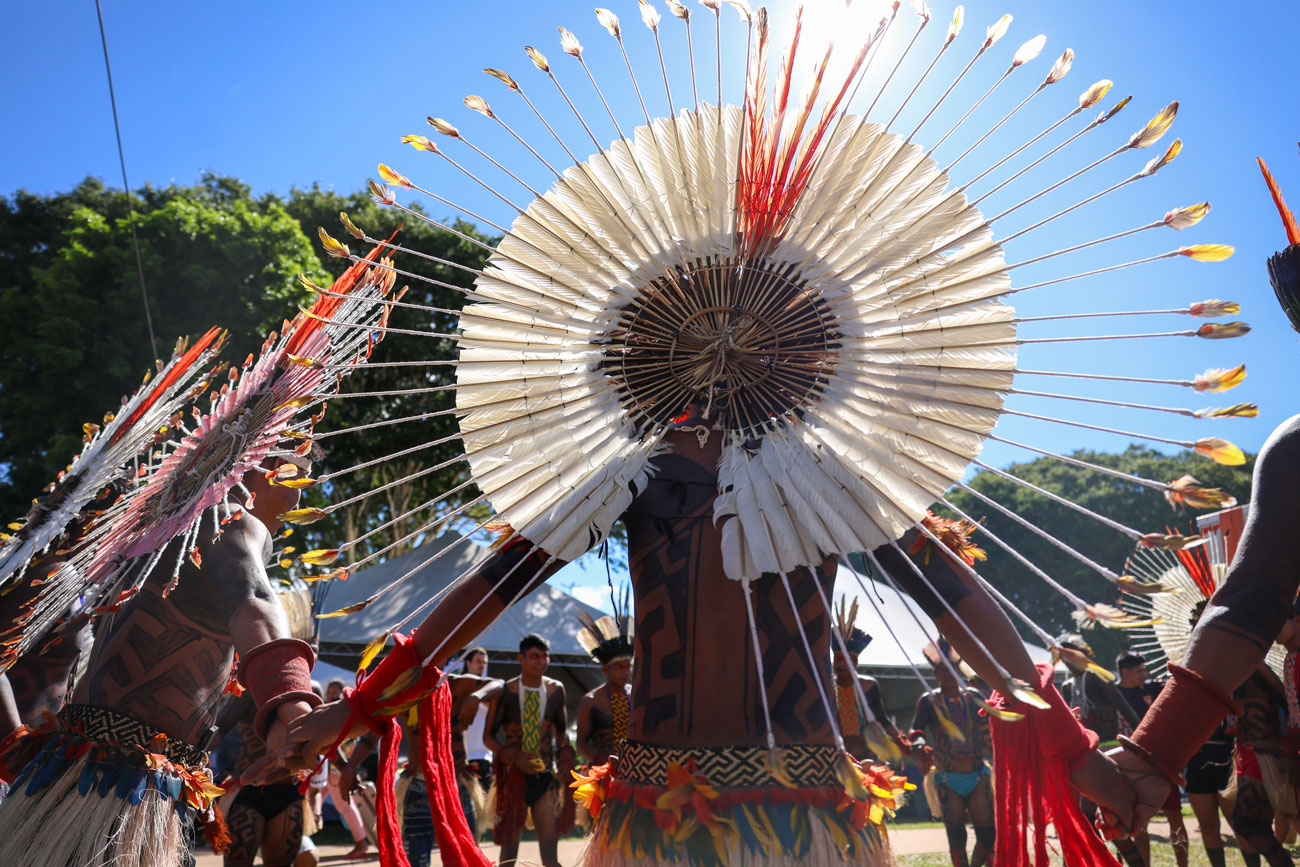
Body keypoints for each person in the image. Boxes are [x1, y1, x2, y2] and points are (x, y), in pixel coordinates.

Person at [274, 408, 1136, 866]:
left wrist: (1065, 740)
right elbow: (493, 584)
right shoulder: (632, 473)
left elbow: (955, 595)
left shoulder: (829, 472)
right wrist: (360, 704)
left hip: (807, 816)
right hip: (659, 814)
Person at [0, 456, 321, 867]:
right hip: (121, 792)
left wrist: (20, 750)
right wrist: (291, 704)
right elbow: (254, 602)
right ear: (268, 463)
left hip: (79, 781)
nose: (301, 494)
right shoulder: (228, 518)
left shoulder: (154, 539)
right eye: (301, 473)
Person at [472, 633, 572, 867]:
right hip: (513, 779)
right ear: (521, 658)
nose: (540, 661)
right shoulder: (507, 691)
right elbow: (488, 737)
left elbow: (562, 734)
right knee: (509, 855)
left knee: (550, 854)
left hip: (545, 778)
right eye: (534, 656)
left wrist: (565, 765)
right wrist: (513, 758)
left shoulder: (556, 690)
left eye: (544, 656)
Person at [911, 643, 994, 867]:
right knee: (956, 836)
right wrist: (918, 743)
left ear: (958, 671)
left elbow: (990, 730)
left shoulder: (974, 696)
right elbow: (916, 729)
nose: (946, 674)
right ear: (936, 674)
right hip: (948, 778)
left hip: (977, 775)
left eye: (950, 669)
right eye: (941, 670)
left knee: (988, 835)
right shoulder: (928, 701)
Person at [1114, 651, 1189, 867]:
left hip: (1160, 763)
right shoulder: (1112, 694)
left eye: (1145, 669)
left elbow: (1176, 686)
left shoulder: (1153, 688)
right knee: (1139, 824)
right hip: (1128, 766)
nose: (1144, 674)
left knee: (1175, 817)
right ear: (1124, 672)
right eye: (1139, 671)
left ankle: (1183, 864)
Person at [1232, 659, 1296, 866]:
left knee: (1246, 822)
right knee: (1254, 823)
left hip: (1264, 753)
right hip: (1247, 751)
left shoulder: (1255, 662)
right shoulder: (1228, 667)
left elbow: (1286, 697)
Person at [832, 596, 905, 763]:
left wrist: (901, 742)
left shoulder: (868, 685)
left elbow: (881, 717)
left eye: (846, 660)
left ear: (855, 663)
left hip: (867, 751)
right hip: (839, 753)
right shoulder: (827, 687)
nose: (840, 665)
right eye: (837, 660)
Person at [573, 613, 634, 768]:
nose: (625, 672)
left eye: (628, 666)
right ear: (606, 669)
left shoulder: (636, 695)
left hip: (634, 770)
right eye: (619, 667)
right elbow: (581, 743)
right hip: (601, 772)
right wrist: (606, 764)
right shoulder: (591, 700)